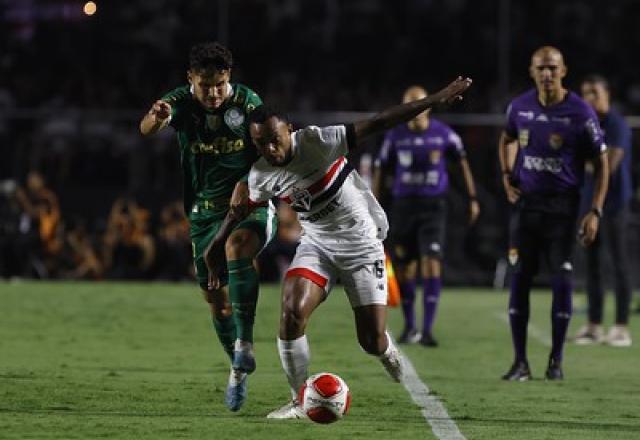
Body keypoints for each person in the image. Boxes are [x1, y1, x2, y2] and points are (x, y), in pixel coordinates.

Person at [204, 76, 472, 418]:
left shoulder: (318, 141)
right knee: (290, 314)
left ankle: (388, 352)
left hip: (362, 244)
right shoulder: (262, 174)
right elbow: (238, 210)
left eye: (275, 140)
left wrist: (434, 99)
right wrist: (216, 245)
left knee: (371, 342)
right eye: (260, 144)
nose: (270, 150)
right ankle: (298, 400)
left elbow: (379, 121)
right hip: (317, 246)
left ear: (290, 129)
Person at [139, 42, 276, 411]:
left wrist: (254, 182)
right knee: (217, 303)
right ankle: (237, 369)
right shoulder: (180, 101)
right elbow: (148, 127)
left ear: (228, 77)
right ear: (191, 79)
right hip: (203, 212)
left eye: (219, 84)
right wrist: (158, 116)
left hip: (251, 202)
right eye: (204, 85)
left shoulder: (248, 104)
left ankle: (245, 343)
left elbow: (271, 149)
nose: (213, 93)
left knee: (237, 248)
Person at [498, 46, 609, 381]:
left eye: (552, 68)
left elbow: (602, 163)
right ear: (532, 71)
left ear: (564, 71)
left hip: (563, 209)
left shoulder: (580, 112)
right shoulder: (519, 107)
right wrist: (506, 177)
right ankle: (520, 363)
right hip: (526, 207)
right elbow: (506, 140)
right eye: (540, 68)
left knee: (562, 280)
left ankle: (556, 362)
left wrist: (596, 211)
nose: (546, 74)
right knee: (518, 280)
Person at [373, 85, 480, 347]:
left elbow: (462, 163)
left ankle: (428, 329)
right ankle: (410, 327)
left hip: (433, 207)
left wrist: (472, 198)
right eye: (408, 105)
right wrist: (373, 204)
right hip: (403, 206)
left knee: (431, 262)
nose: (413, 111)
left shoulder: (444, 135)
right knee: (406, 268)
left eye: (417, 105)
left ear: (428, 107)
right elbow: (381, 169)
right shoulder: (394, 137)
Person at [572, 75, 633, 347]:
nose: (589, 99)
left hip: (615, 204)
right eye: (585, 93)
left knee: (619, 263)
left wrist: (588, 161)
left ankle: (621, 327)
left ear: (607, 94)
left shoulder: (617, 124)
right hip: (589, 204)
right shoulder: (585, 125)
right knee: (593, 266)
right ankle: (594, 326)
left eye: (595, 92)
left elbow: (608, 165)